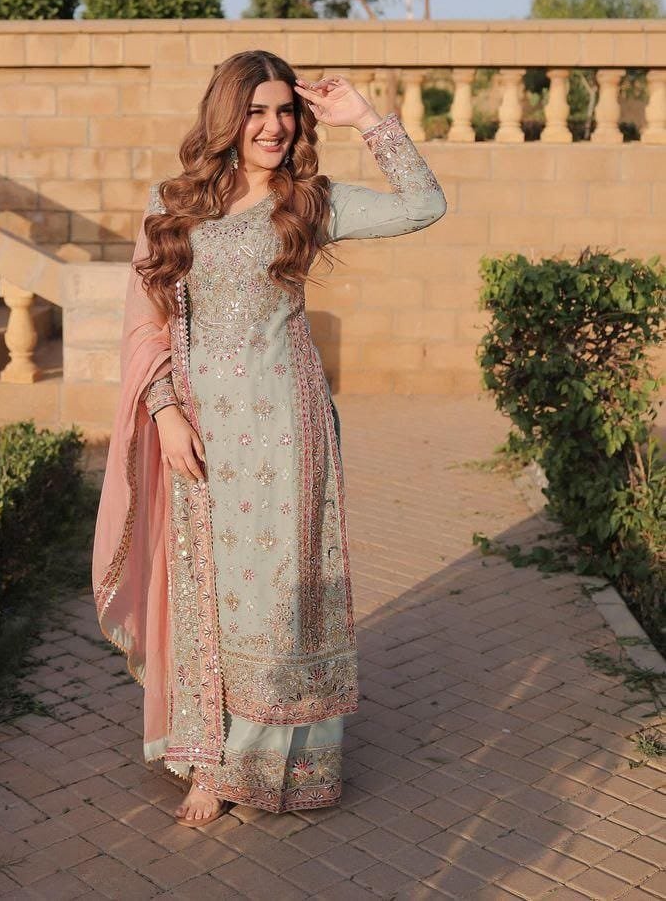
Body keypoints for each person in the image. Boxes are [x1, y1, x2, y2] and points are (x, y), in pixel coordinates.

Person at [92, 50, 446, 827]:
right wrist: (164, 410)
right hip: (200, 430)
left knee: (276, 600)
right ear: (227, 116)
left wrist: (366, 119)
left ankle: (257, 762)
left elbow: (425, 205)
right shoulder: (174, 203)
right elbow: (145, 320)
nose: (274, 126)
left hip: (287, 428)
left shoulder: (307, 204)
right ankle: (208, 754)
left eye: (286, 110)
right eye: (256, 111)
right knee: (207, 592)